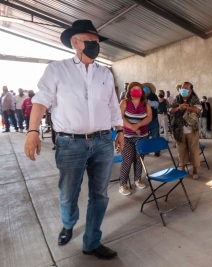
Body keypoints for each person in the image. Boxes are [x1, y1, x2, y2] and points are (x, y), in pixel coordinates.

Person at [24, 20, 124, 259]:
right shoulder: (57, 69)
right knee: (69, 192)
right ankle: (68, 224)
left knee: (99, 194)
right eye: (91, 41)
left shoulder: (105, 73)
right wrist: (32, 131)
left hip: (102, 141)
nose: (95, 45)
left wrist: (119, 130)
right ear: (75, 43)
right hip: (70, 143)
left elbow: (112, 105)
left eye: (97, 42)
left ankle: (91, 241)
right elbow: (41, 100)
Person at [119, 82, 152, 195]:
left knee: (139, 160)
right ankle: (122, 185)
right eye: (134, 89)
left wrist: (137, 125)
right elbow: (120, 117)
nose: (137, 91)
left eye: (139, 89)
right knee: (127, 160)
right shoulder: (124, 102)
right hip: (127, 137)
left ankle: (137, 179)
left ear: (142, 92)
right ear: (129, 91)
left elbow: (149, 118)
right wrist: (132, 127)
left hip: (142, 136)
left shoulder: (145, 104)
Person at [170, 82, 202, 179]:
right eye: (182, 87)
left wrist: (188, 107)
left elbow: (199, 110)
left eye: (186, 88)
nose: (183, 89)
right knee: (181, 150)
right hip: (179, 130)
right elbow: (170, 111)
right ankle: (182, 169)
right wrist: (179, 108)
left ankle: (195, 170)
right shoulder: (177, 99)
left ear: (190, 90)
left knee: (194, 150)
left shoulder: (195, 99)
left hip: (192, 130)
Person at [142, 82, 160, 157]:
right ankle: (146, 150)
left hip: (153, 120)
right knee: (144, 137)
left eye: (147, 88)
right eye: (144, 87)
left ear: (150, 89)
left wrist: (147, 102)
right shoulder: (141, 97)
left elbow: (156, 105)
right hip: (144, 120)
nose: (146, 89)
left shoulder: (153, 96)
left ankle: (157, 151)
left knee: (155, 136)